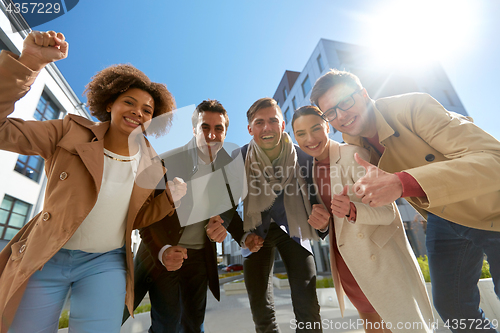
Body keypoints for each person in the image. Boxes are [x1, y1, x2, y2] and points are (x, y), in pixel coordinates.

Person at [0, 31, 186, 333]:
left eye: (148, 110)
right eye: (129, 101)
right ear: (110, 103)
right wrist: (29, 64)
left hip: (106, 263)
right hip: (46, 256)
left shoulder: (154, 166)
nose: (138, 112)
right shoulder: (68, 131)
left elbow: (136, 219)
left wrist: (169, 200)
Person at [310, 69, 500, 333]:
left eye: (346, 102)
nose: (341, 115)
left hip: (491, 207)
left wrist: (402, 182)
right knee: (453, 307)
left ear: (363, 94)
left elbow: (494, 159)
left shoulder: (413, 107)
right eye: (331, 112)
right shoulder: (352, 143)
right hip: (442, 217)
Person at [291, 105, 434, 333]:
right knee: (372, 326)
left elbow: (388, 212)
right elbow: (332, 221)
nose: (310, 138)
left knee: (404, 326)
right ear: (295, 138)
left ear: (327, 126)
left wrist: (352, 210)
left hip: (379, 260)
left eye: (316, 128)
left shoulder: (353, 155)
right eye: (301, 133)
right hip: (347, 262)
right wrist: (322, 224)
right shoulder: (308, 170)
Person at [126, 99, 244, 333]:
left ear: (225, 132)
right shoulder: (166, 162)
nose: (211, 135)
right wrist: (162, 251)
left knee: (194, 324)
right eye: (205, 127)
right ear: (194, 129)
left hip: (200, 259)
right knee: (167, 325)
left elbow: (230, 206)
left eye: (218, 128)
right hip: (165, 253)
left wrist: (226, 225)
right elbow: (145, 216)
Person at [227, 97, 323, 333]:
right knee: (261, 308)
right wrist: (242, 235)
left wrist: (323, 223)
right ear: (250, 129)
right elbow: (223, 203)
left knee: (308, 304)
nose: (267, 127)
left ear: (282, 125)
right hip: (255, 232)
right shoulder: (238, 159)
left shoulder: (304, 159)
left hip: (296, 230)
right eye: (259, 122)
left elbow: (317, 201)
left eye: (273, 121)